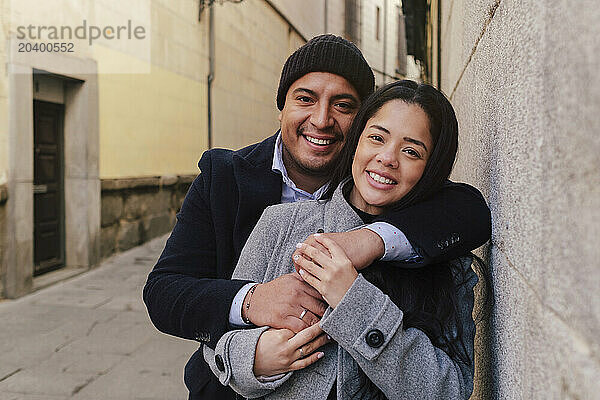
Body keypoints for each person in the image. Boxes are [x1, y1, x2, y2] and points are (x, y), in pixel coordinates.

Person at [143, 35, 491, 400]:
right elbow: (167, 293)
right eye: (305, 98)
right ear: (282, 106)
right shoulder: (233, 183)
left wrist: (367, 246)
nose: (321, 119)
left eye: (342, 104)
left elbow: (470, 212)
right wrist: (253, 304)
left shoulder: (394, 196)